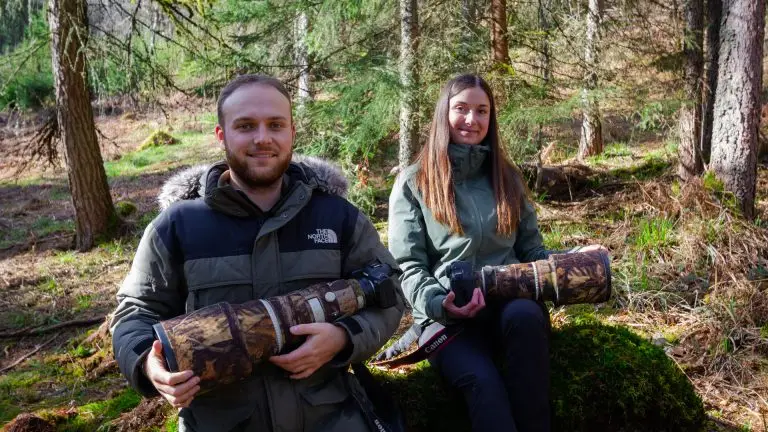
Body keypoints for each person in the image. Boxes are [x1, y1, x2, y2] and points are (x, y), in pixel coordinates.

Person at [110, 74, 405, 432]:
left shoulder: (336, 216)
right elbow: (135, 312)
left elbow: (390, 290)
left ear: (292, 133)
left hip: (332, 417)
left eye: (275, 125)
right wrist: (146, 365)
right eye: (246, 126)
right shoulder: (178, 226)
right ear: (222, 136)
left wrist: (343, 339)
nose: (262, 138)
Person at [387, 74, 605, 432]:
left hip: (510, 304)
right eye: (461, 109)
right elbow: (408, 265)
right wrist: (440, 304)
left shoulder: (507, 178)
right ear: (444, 113)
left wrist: (579, 256)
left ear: (491, 118)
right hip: (447, 318)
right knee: (484, 384)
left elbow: (532, 251)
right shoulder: (415, 182)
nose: (472, 120)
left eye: (482, 111)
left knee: (527, 317)